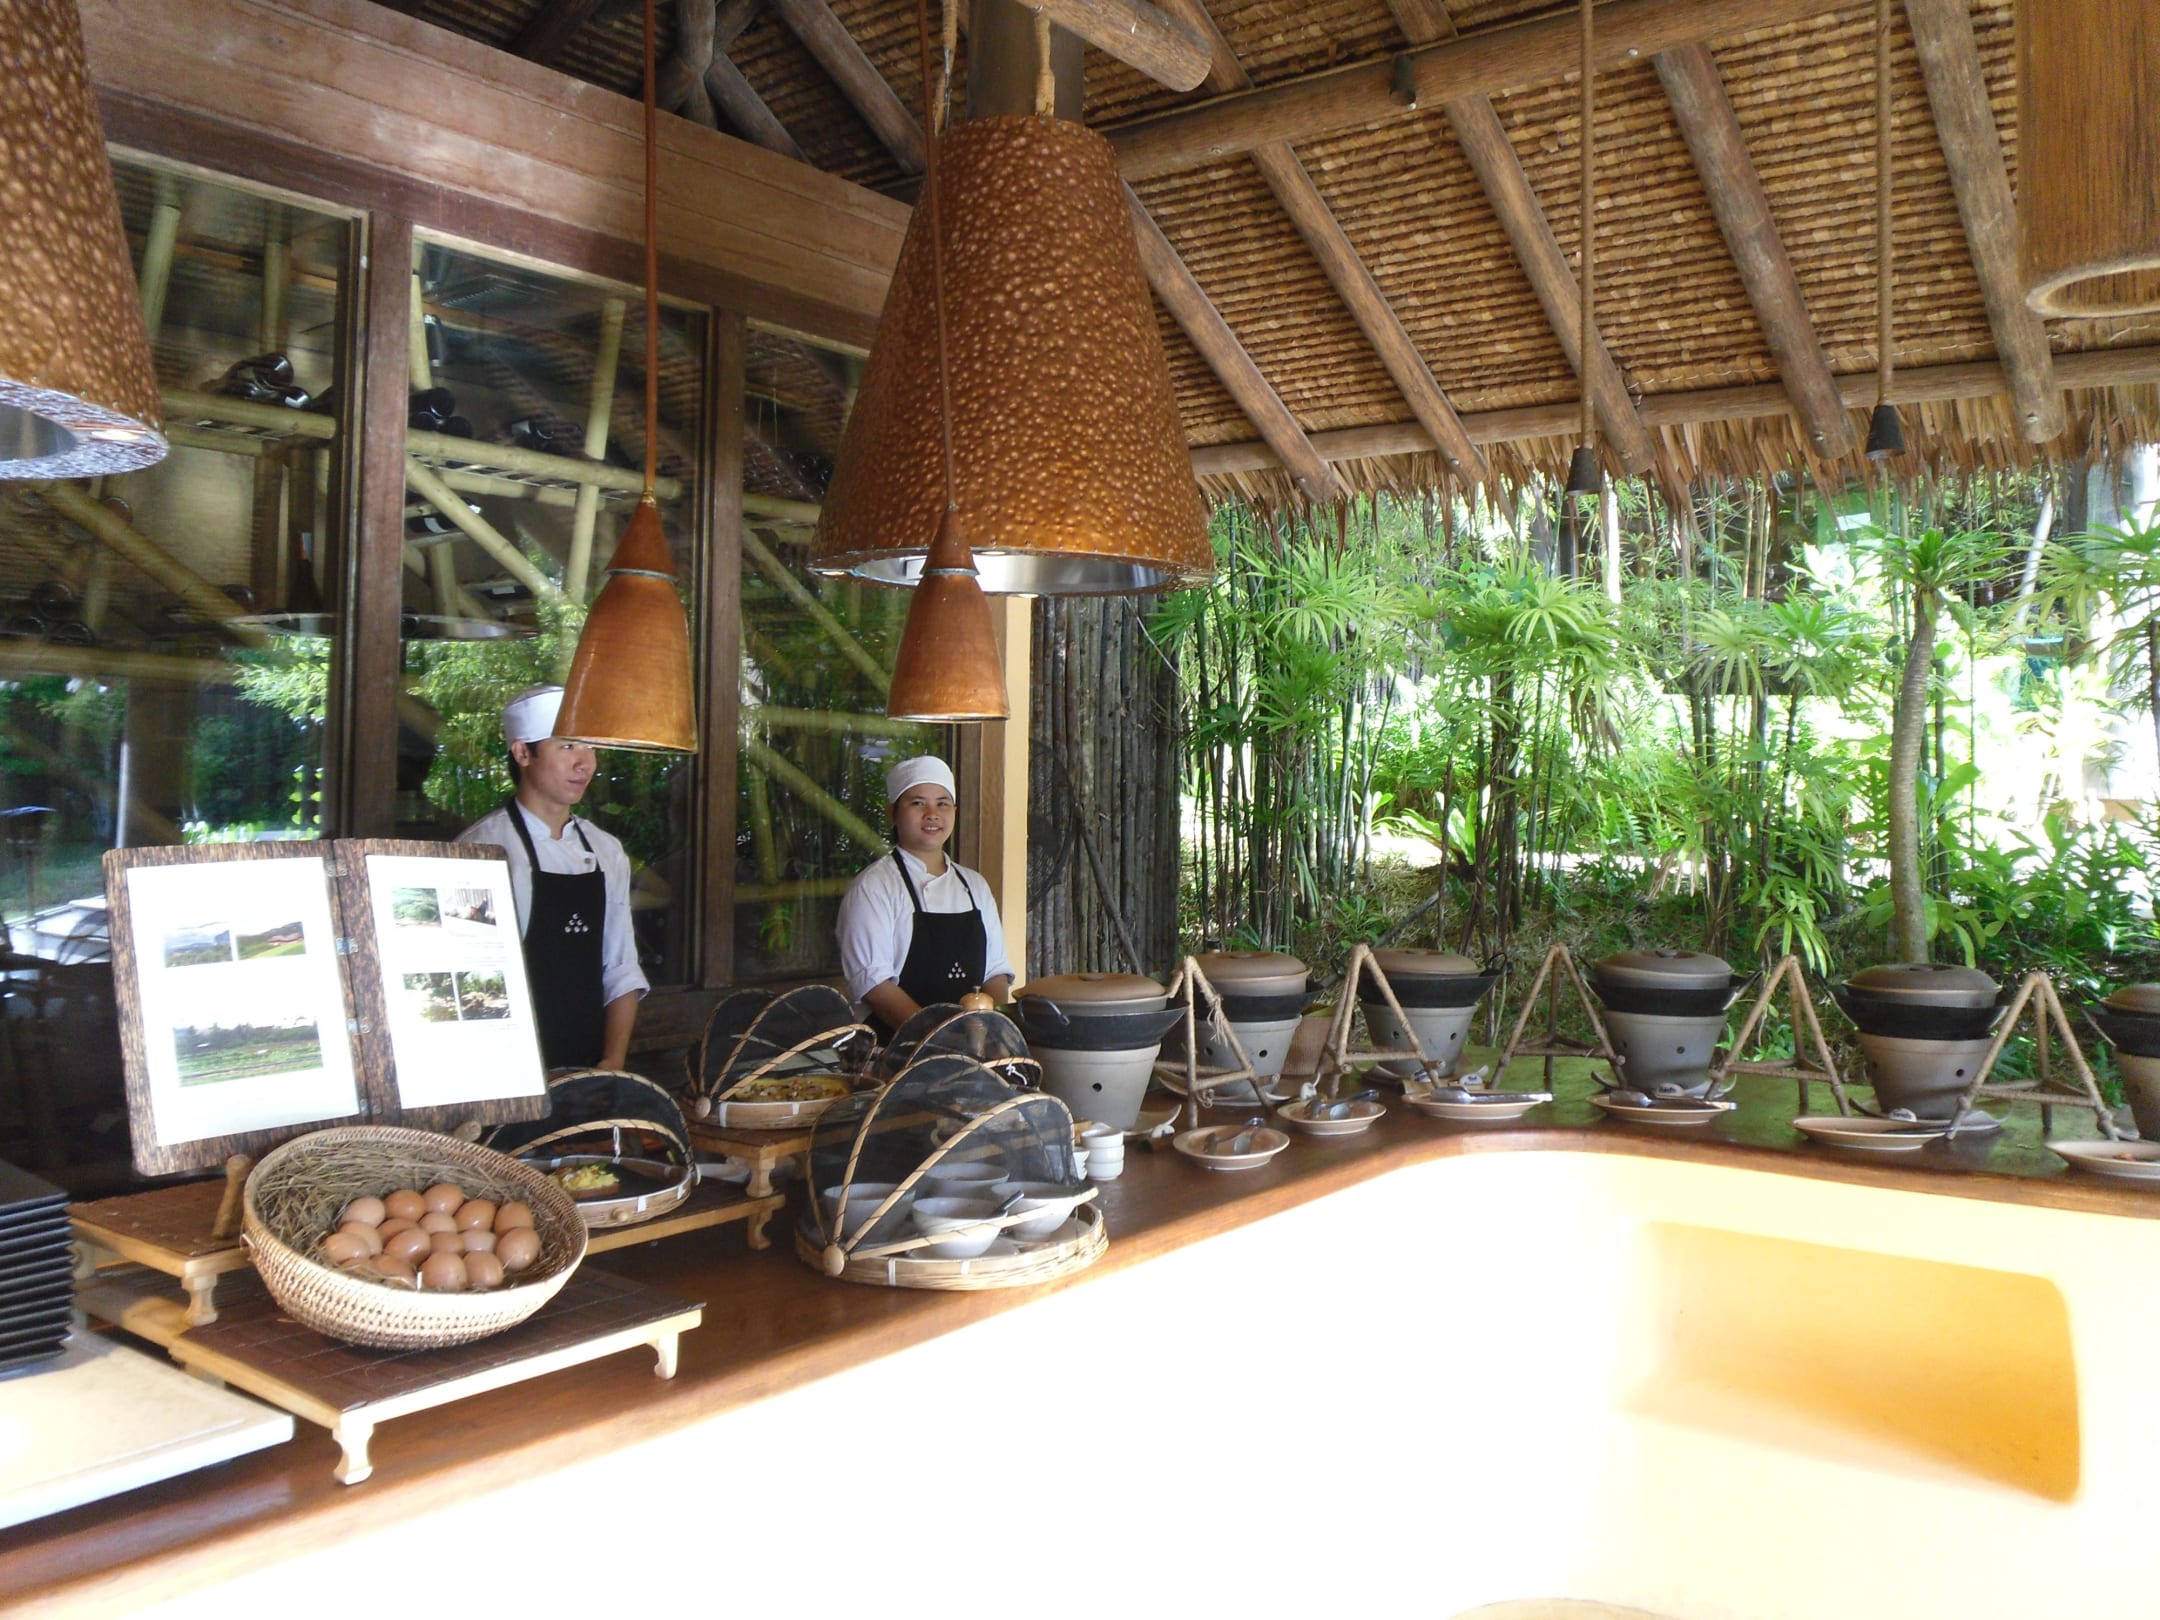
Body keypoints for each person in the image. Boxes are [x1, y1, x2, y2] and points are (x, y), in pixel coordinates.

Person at [459, 684, 647, 1072]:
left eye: (590, 747)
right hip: (505, 1071)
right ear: (522, 753)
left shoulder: (606, 851)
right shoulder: (480, 851)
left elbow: (621, 966)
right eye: (567, 747)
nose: (585, 763)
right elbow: (470, 983)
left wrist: (612, 1062)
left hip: (590, 1070)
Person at [837, 756, 1013, 1041]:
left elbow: (995, 972)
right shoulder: (873, 887)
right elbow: (875, 986)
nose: (932, 814)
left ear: (954, 811)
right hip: (894, 1050)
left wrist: (988, 1032)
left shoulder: (975, 886)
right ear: (892, 813)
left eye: (942, 803)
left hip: (972, 1048)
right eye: (918, 803)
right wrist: (941, 1040)